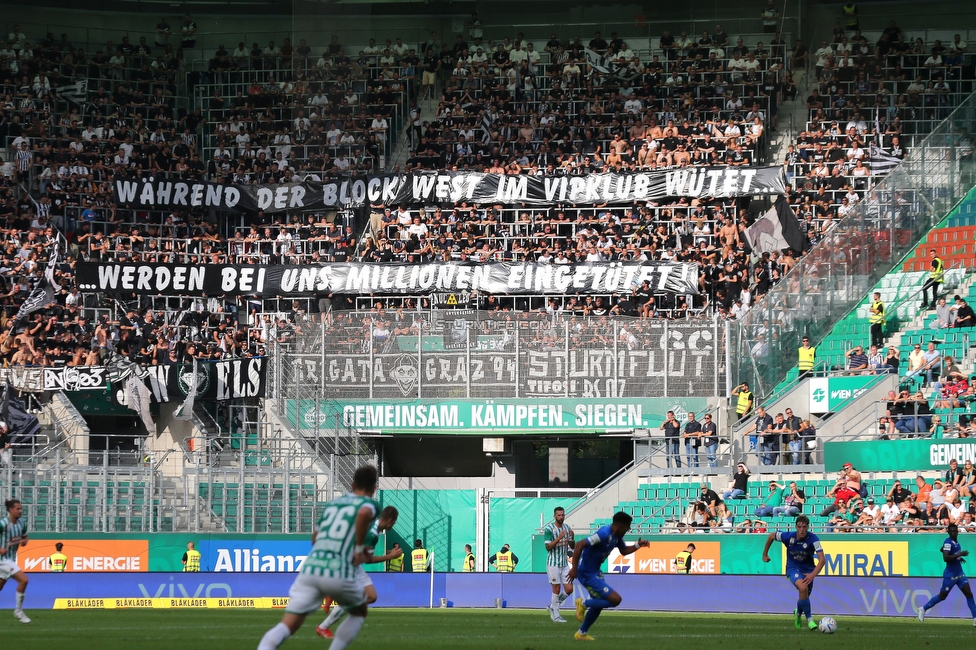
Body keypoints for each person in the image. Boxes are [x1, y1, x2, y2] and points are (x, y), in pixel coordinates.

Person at [256, 465, 380, 650]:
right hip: (338, 569)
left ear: (352, 484)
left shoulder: (333, 504)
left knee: (289, 624)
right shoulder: (371, 504)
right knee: (359, 612)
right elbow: (363, 514)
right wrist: (358, 548)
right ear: (374, 488)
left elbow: (315, 539)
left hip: (311, 568)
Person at [316, 506, 401, 639]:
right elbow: (367, 560)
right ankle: (323, 626)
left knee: (371, 597)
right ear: (390, 520)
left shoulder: (372, 524)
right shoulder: (372, 534)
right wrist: (390, 557)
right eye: (394, 522)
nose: (393, 525)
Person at [568, 512, 649, 641]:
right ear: (620, 525)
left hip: (596, 573)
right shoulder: (604, 534)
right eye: (627, 526)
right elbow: (579, 544)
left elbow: (623, 551)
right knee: (615, 599)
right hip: (587, 574)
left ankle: (581, 633)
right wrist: (574, 568)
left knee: (599, 605)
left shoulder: (616, 536)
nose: (628, 529)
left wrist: (638, 545)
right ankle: (583, 603)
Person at [761, 514, 825, 631]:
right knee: (803, 587)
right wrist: (764, 554)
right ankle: (810, 620)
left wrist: (812, 575)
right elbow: (771, 536)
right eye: (799, 527)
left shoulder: (814, 539)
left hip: (808, 571)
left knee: (804, 595)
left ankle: (798, 613)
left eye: (804, 527)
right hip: (792, 568)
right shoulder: (787, 536)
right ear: (796, 527)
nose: (802, 530)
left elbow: (822, 559)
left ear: (808, 527)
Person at [916, 523, 976, 624]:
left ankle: (975, 618)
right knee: (942, 596)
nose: (953, 533)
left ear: (957, 531)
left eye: (955, 531)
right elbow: (945, 558)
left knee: (969, 594)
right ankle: (923, 609)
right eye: (951, 531)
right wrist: (959, 554)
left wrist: (959, 558)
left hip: (960, 573)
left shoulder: (956, 542)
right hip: (950, 575)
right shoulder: (948, 542)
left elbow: (942, 550)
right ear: (948, 532)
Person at [0, 499, 31, 623]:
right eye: (17, 509)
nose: (20, 511)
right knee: (24, 580)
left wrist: (24, 541)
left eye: (21, 508)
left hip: (11, 559)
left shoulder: (22, 522)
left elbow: (25, 536)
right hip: (2, 560)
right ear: (10, 510)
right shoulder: (3, 524)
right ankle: (18, 611)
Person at [543, 507, 574, 623]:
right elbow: (548, 547)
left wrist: (572, 537)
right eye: (559, 515)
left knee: (569, 589)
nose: (561, 517)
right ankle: (556, 615)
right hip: (553, 563)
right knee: (556, 588)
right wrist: (559, 537)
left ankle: (552, 606)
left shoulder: (567, 528)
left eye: (563, 515)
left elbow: (572, 545)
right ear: (555, 516)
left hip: (564, 563)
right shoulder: (549, 529)